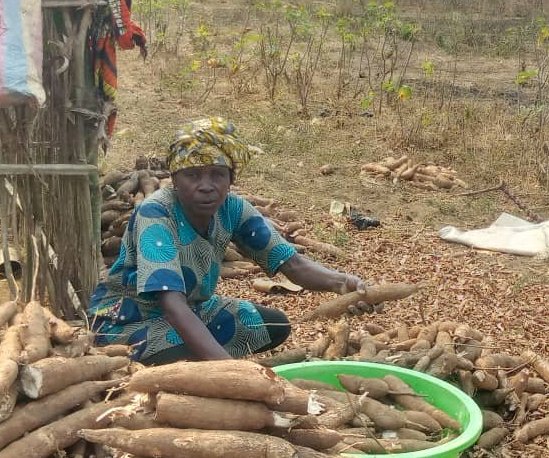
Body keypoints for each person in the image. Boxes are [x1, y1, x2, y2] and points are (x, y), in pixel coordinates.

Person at [89, 117, 371, 363]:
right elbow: (171, 303)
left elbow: (292, 263)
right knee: (186, 347)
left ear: (231, 178)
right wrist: (232, 370)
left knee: (273, 324)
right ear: (175, 178)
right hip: (129, 321)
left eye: (217, 175)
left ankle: (202, 359)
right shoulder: (157, 214)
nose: (206, 185)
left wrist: (341, 282)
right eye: (193, 175)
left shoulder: (232, 209)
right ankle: (196, 363)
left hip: (194, 311)